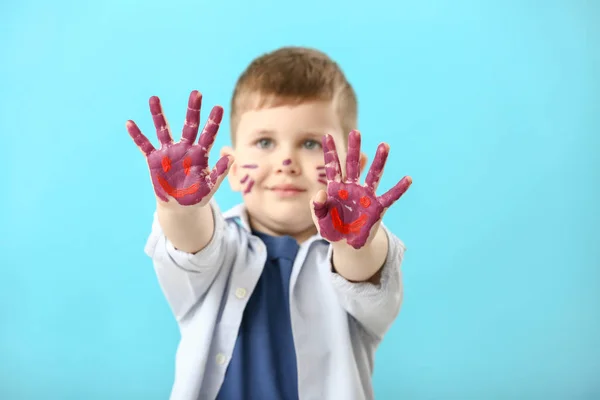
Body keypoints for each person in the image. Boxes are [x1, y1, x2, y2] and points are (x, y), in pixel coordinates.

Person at [126, 46, 412, 400]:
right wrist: (179, 208)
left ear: (354, 164)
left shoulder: (349, 260)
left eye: (310, 143)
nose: (286, 161)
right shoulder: (217, 247)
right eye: (264, 142)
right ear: (228, 165)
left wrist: (358, 241)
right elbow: (190, 245)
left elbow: (364, 277)